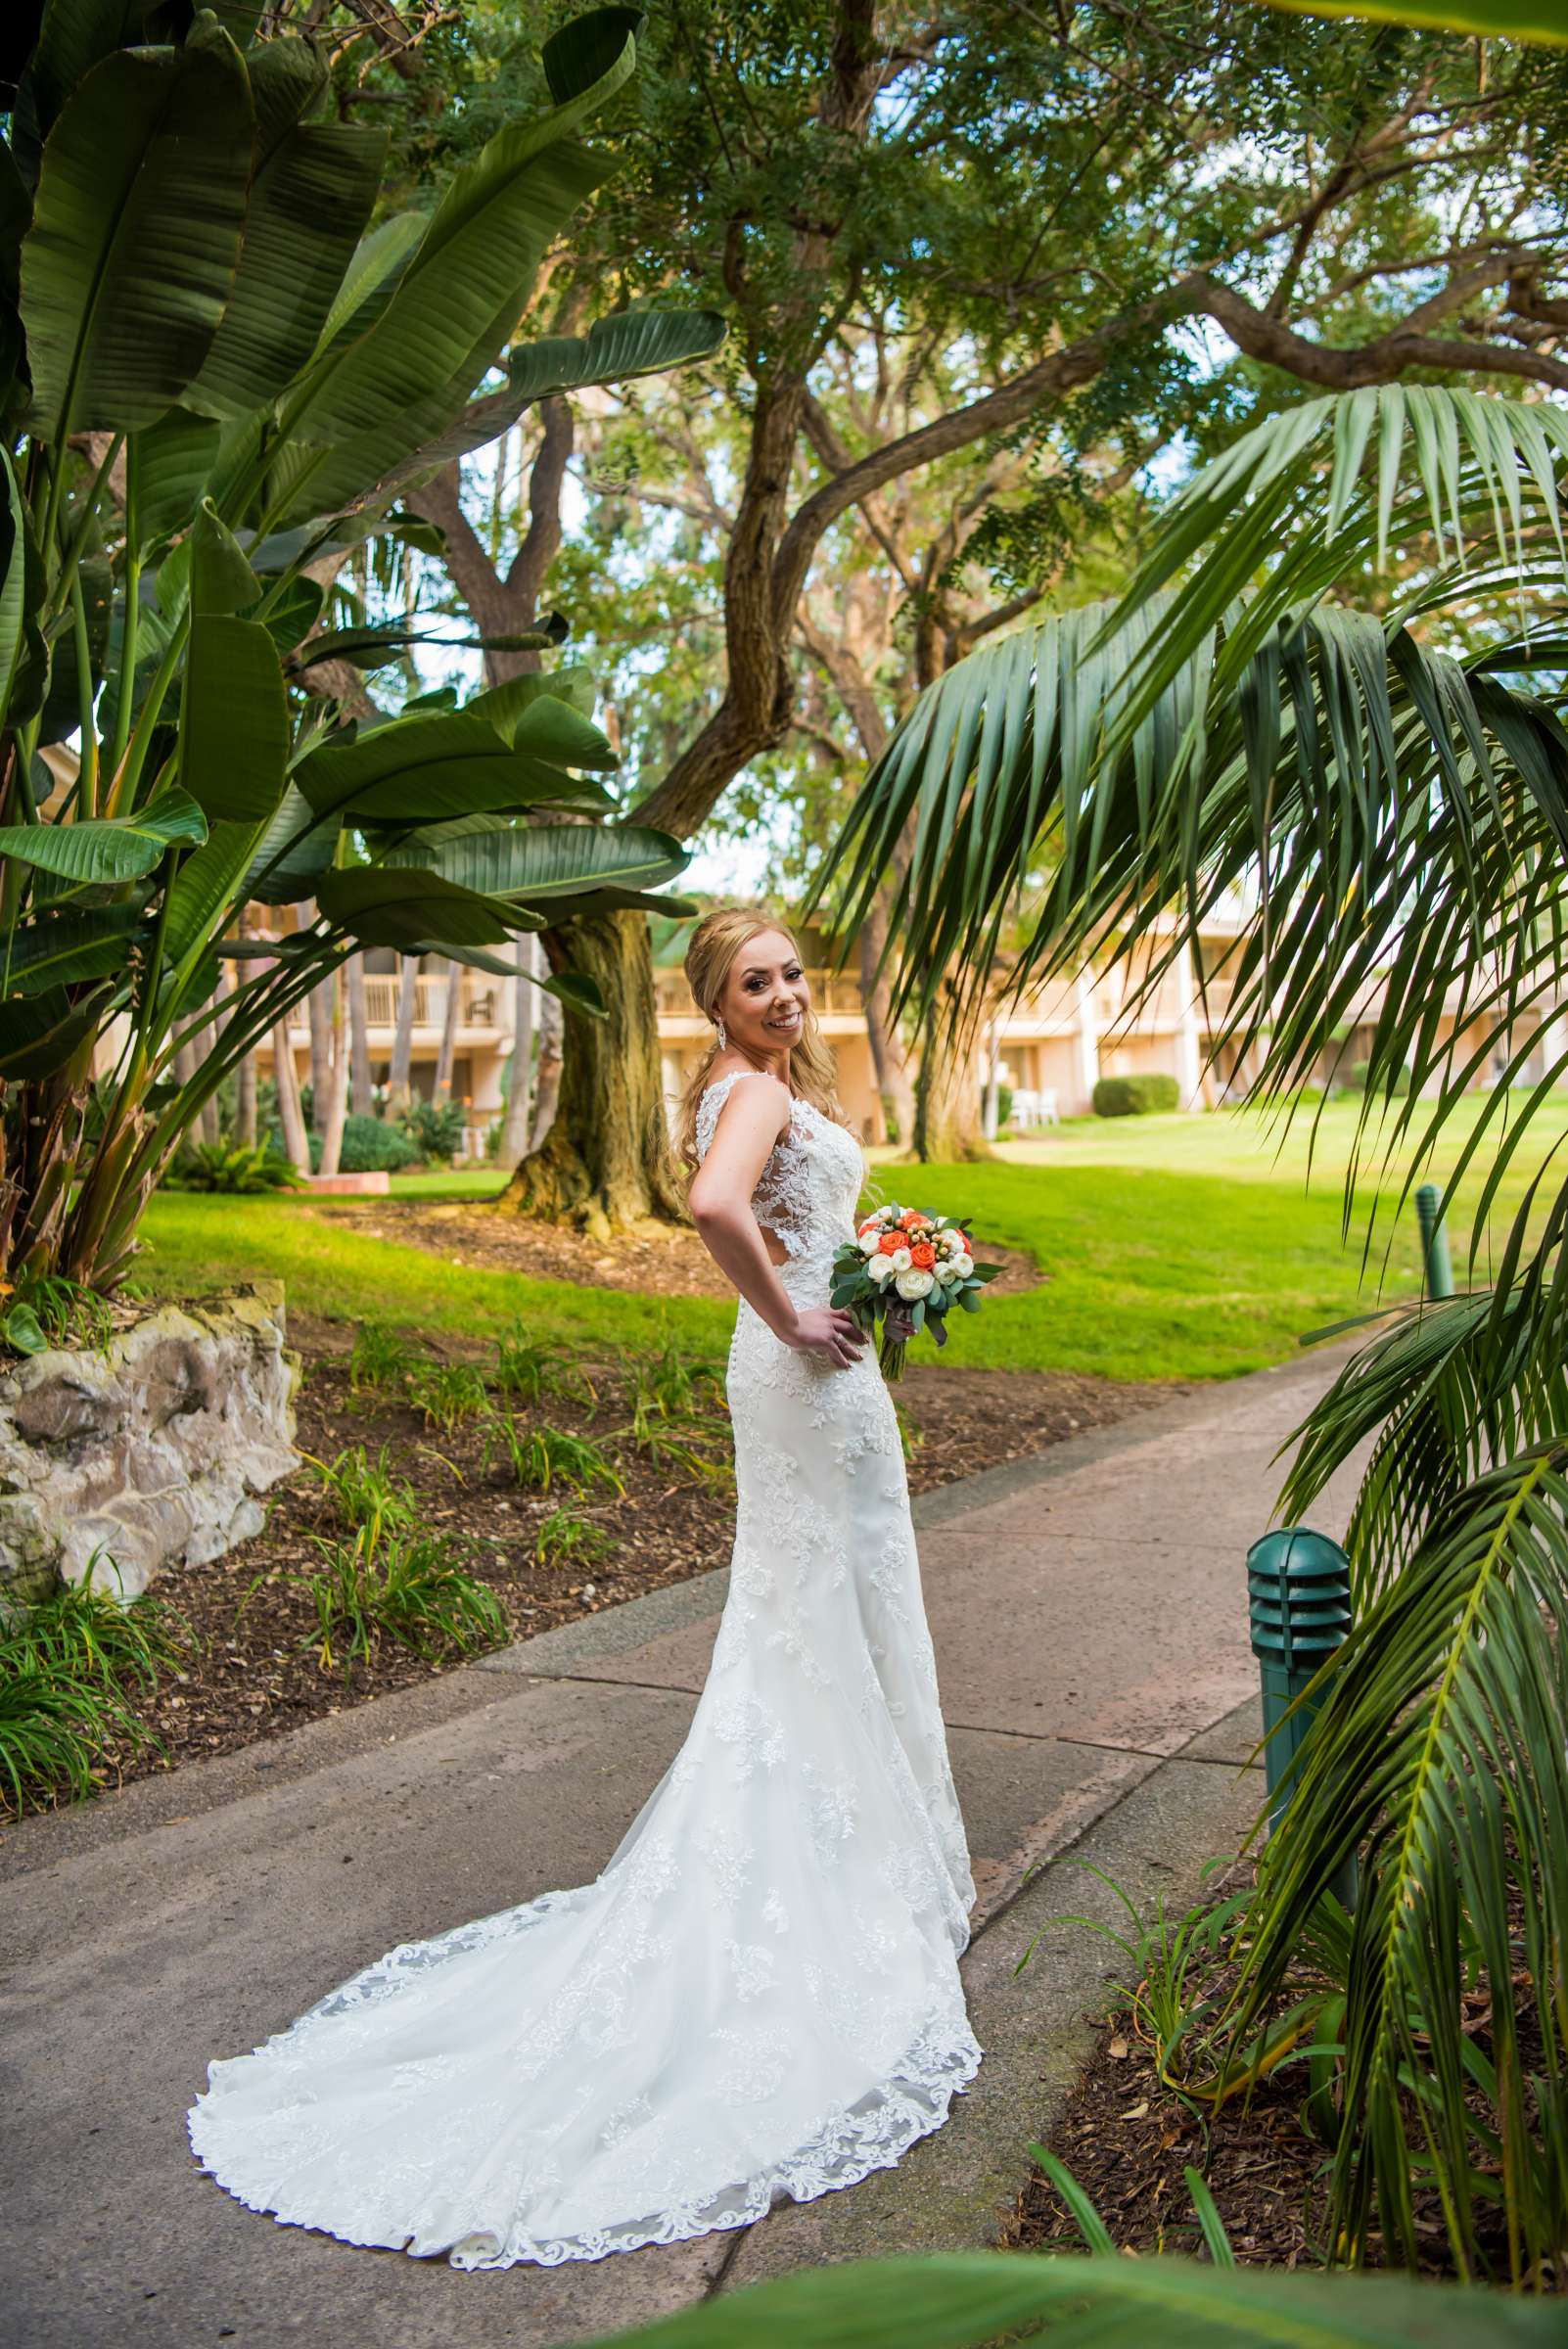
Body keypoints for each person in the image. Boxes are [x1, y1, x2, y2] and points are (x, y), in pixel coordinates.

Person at [187, 907, 980, 2269]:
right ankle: (828, 1881)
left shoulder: (769, 1086)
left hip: (810, 1381)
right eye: (755, 982)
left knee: (814, 1616)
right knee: (804, 1617)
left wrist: (873, 1267)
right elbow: (715, 1208)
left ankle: (860, 1850)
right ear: (714, 1003)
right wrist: (794, 1311)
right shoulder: (744, 1097)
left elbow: (779, 1206)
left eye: (791, 974)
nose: (784, 994)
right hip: (799, 1375)